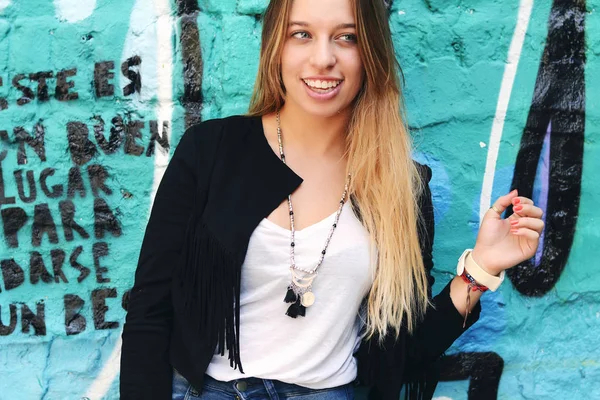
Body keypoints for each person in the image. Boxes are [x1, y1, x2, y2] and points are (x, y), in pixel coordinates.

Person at [120, 0, 544, 399]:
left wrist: (482, 269)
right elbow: (149, 312)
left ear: (370, 55)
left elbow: (403, 350)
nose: (323, 58)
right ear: (276, 49)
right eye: (301, 34)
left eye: (347, 37)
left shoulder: (399, 186)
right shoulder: (211, 150)